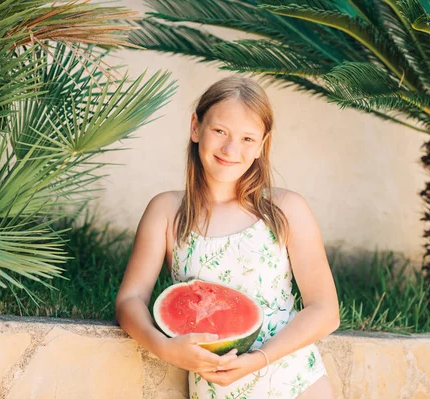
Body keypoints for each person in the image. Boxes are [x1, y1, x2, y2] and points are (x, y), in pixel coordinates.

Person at [115, 76, 340, 398]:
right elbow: (129, 300)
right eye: (220, 131)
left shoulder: (286, 208)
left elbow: (325, 310)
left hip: (296, 383)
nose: (231, 149)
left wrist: (259, 359)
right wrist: (164, 348)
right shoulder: (166, 211)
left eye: (248, 138)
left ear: (263, 144)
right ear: (195, 127)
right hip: (214, 388)